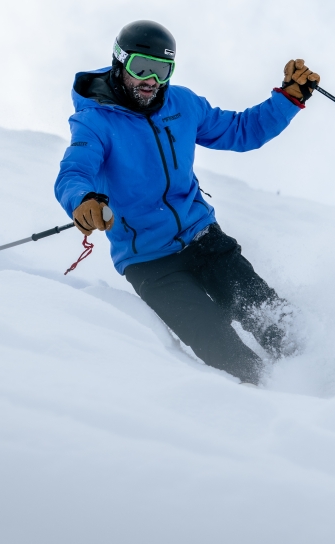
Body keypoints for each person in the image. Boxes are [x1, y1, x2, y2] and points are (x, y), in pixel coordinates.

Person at [54, 20, 319, 384]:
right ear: (120, 63)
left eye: (162, 70)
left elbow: (239, 131)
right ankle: (272, 401)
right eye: (141, 68)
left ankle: (324, 373)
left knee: (266, 313)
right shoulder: (95, 121)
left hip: (203, 237)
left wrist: (288, 99)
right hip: (150, 262)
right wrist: (82, 200)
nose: (151, 80)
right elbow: (74, 171)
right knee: (217, 342)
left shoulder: (182, 103)